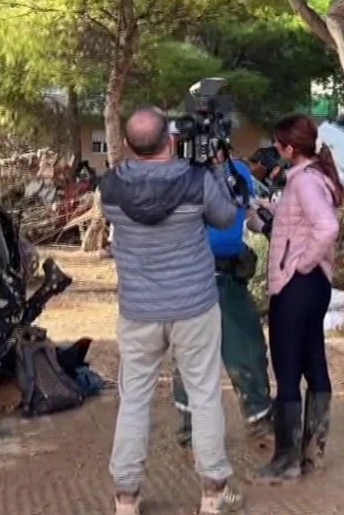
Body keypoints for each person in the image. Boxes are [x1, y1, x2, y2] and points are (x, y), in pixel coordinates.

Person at [101, 107, 243, 515]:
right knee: (203, 396)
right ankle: (214, 495)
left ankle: (126, 497)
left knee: (133, 400)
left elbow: (143, 200)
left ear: (127, 145)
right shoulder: (195, 181)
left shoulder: (110, 187)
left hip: (139, 310)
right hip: (194, 306)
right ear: (171, 139)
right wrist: (214, 169)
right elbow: (226, 216)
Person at [247, 113, 344, 484]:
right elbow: (302, 223)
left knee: (287, 370)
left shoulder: (304, 182)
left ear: (290, 148)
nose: (274, 149)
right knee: (313, 362)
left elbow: (327, 226)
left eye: (278, 143)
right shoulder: (314, 177)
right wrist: (270, 216)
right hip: (315, 284)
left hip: (296, 285)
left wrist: (298, 262)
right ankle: (312, 451)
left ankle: (286, 460)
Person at [171, 150, 275, 447]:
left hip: (228, 277)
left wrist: (269, 225)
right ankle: (191, 427)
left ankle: (258, 418)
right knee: (190, 352)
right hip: (191, 276)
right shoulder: (178, 175)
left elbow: (249, 213)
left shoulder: (238, 172)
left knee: (247, 347)